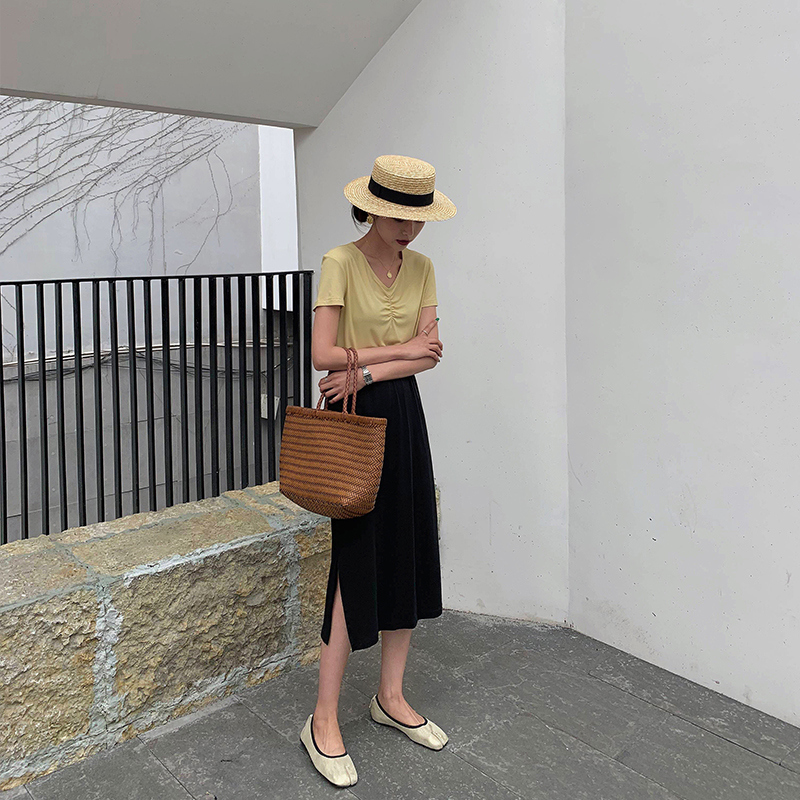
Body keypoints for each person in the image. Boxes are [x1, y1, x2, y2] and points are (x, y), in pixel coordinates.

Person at [298, 155, 457, 787]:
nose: (410, 230)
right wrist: (398, 351)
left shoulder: (423, 267)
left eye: (418, 219)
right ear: (372, 208)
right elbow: (320, 354)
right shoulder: (339, 261)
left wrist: (367, 369)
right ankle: (322, 718)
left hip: (398, 411)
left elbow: (431, 354)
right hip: (355, 421)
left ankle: (390, 696)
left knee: (407, 547)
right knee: (354, 559)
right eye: (399, 218)